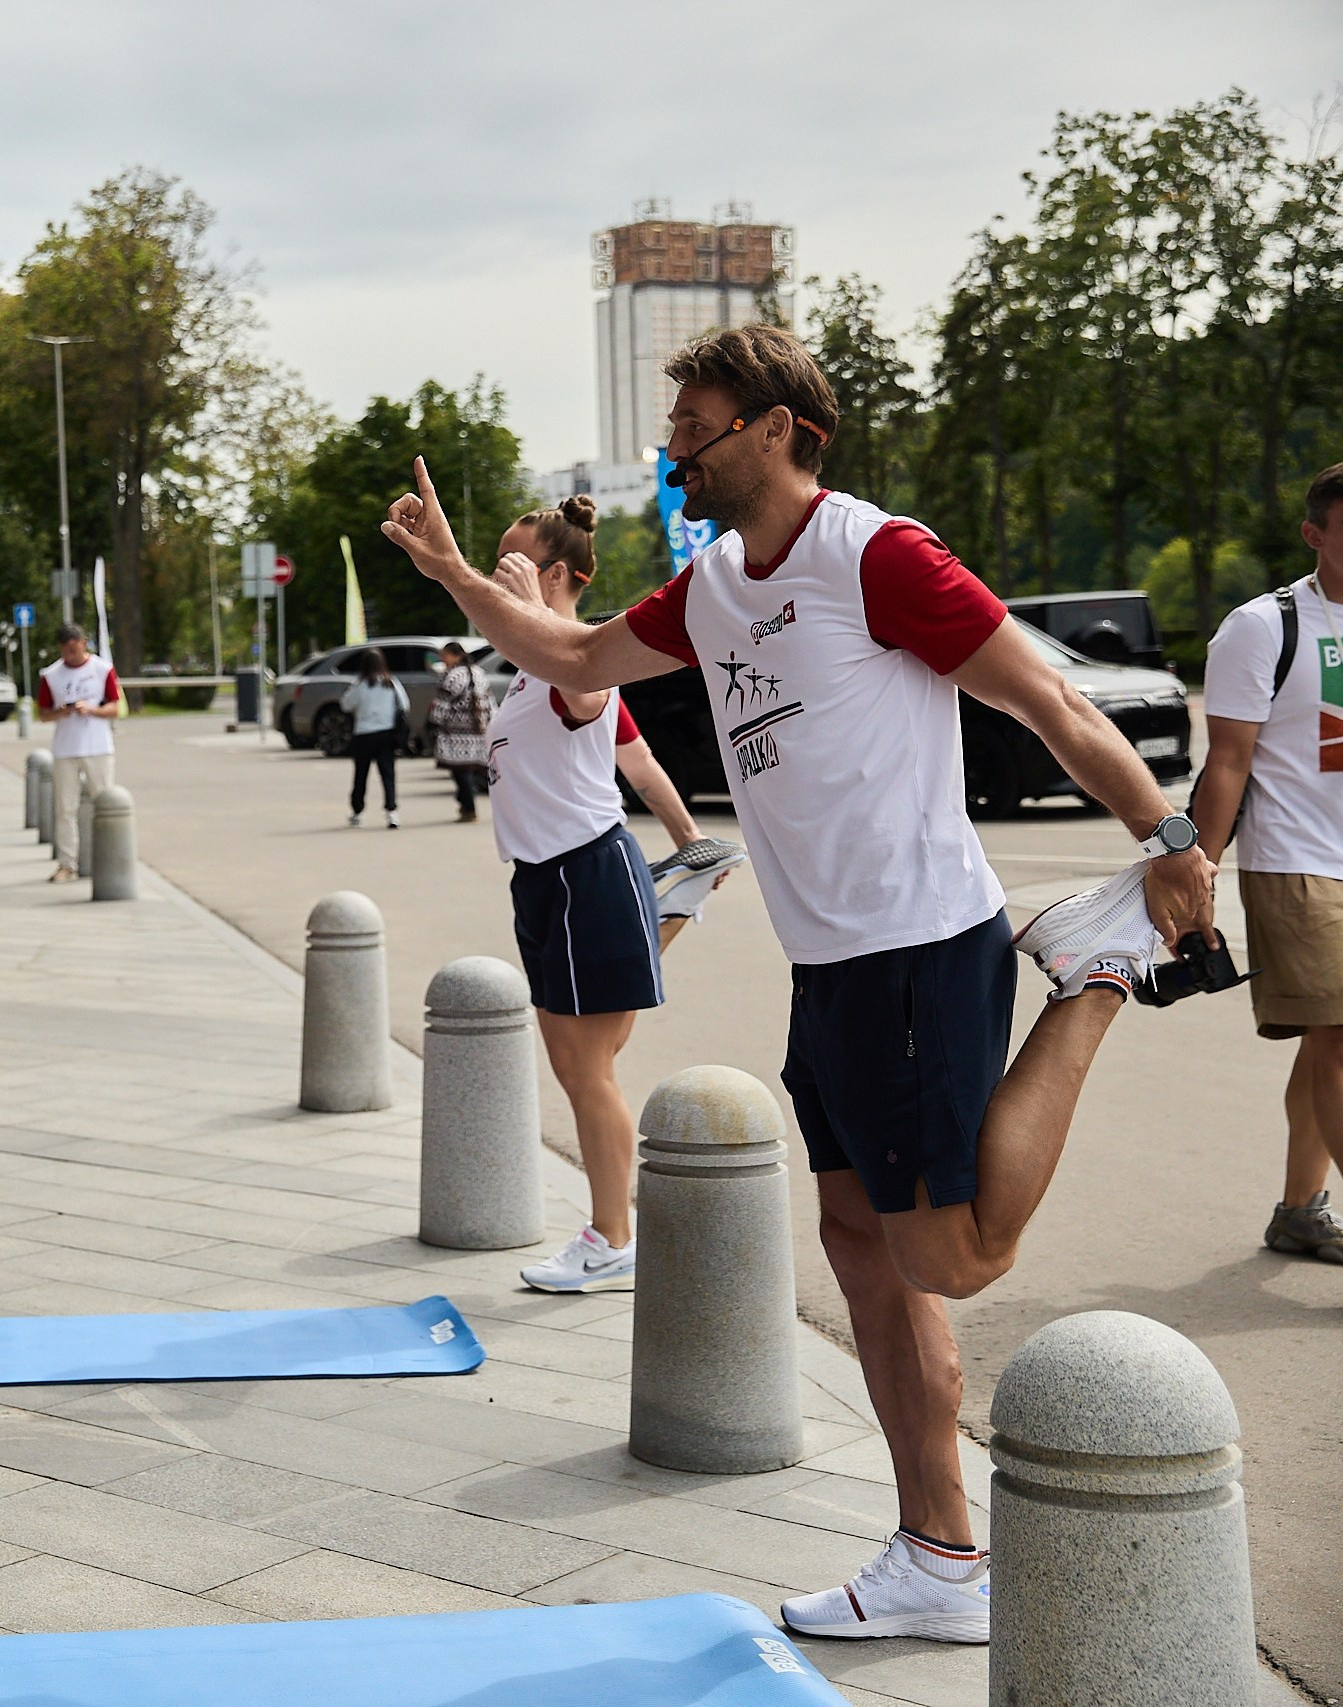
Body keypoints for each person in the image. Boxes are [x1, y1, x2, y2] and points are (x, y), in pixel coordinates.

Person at [382, 322, 1212, 1646]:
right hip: (828, 969)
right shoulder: (715, 586)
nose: (676, 456)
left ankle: (1093, 979)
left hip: (920, 946)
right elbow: (579, 655)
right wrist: (448, 573)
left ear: (781, 429)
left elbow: (1047, 700)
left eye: (696, 431)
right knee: (864, 1256)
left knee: (951, 1250)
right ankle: (939, 1553)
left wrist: (1164, 838)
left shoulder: (874, 554)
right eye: (675, 435)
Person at [475, 496, 727, 1296]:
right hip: (541, 883)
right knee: (579, 1062)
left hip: (585, 872)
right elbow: (642, 763)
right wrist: (693, 844)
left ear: (553, 574)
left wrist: (693, 853)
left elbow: (585, 691)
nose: (493, 576)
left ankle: (613, 1236)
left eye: (509, 563)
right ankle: (673, 903)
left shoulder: (572, 666)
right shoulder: (524, 675)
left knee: (589, 1071)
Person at [1189, 461, 1343, 1263]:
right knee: (1341, 1036)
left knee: (1329, 1041)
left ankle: (1297, 1210)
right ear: (1315, 534)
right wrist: (1197, 875)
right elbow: (1227, 763)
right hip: (1298, 861)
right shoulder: (1262, 626)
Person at [35, 623, 122, 881]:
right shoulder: (51, 675)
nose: (71, 655)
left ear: (83, 643)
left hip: (97, 747)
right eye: (66, 651)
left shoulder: (102, 669)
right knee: (65, 808)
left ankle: (110, 859)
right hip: (66, 748)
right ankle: (67, 864)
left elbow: (115, 707)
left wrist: (92, 710)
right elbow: (43, 714)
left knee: (105, 804)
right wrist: (61, 711)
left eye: (75, 649)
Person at [339, 649, 408, 827]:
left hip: (363, 734)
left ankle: (357, 812)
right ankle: (391, 812)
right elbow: (404, 705)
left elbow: (345, 705)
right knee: (388, 775)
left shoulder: (360, 685)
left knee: (361, 775)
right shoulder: (391, 683)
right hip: (386, 733)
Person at [428, 640, 491, 822]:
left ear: (455, 655)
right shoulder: (479, 673)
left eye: (444, 656)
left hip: (456, 732)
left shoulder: (452, 676)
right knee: (473, 769)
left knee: (460, 771)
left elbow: (442, 703)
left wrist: (434, 722)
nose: (443, 660)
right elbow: (488, 700)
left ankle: (468, 807)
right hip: (479, 729)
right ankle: (467, 805)